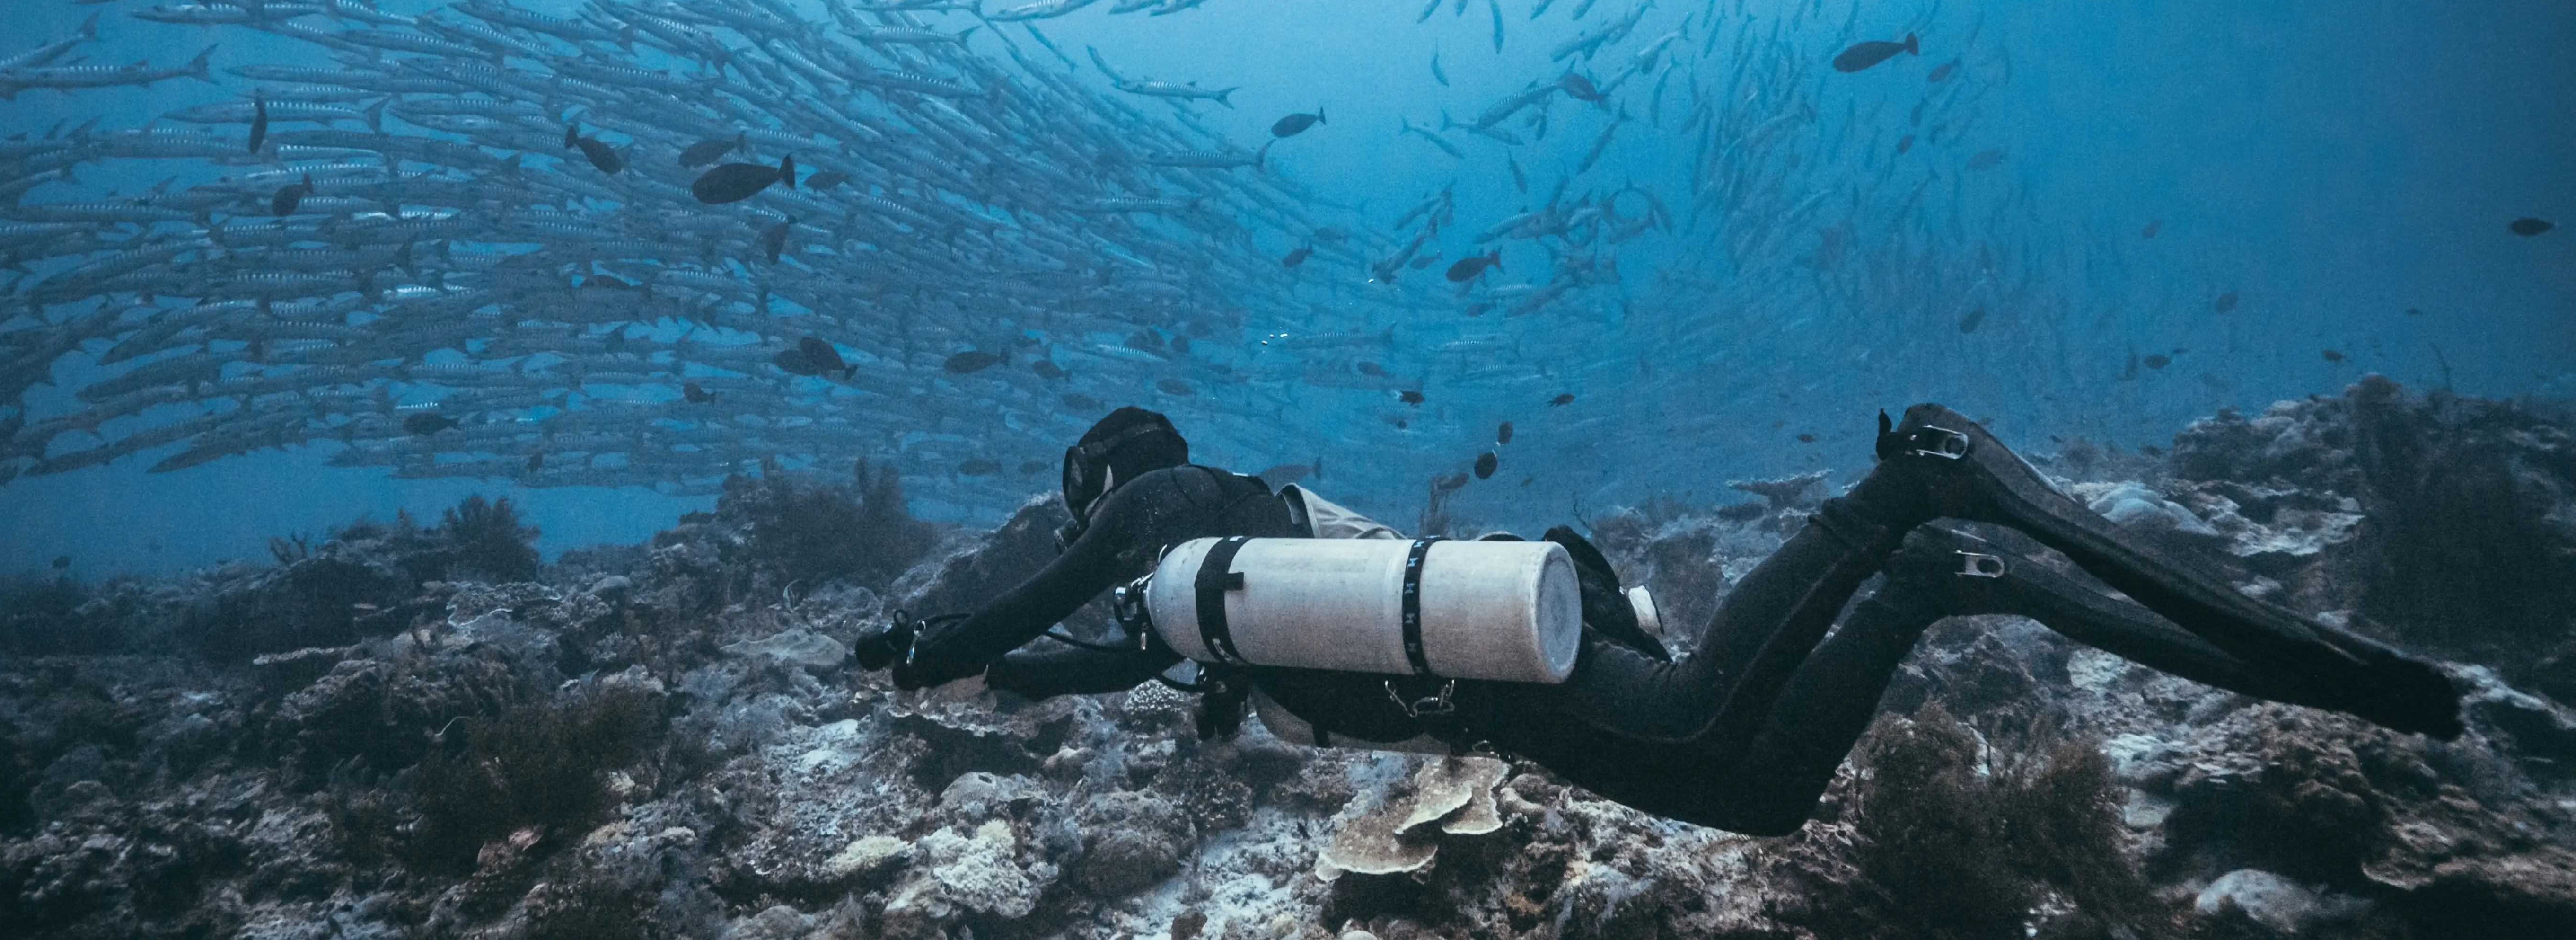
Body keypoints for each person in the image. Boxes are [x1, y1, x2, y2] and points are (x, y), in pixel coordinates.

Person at [859, 404, 2461, 836]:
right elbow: (1068, 659)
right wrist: (975, 683)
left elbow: (1038, 598)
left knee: (1699, 716)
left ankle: (1898, 498)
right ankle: (1932, 573)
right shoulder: (1193, 603)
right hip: (1505, 689)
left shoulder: (1172, 506)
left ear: (1106, 480)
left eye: (1087, 501)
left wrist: (921, 645)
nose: (1090, 528)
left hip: (1517, 678)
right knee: (1755, 797)